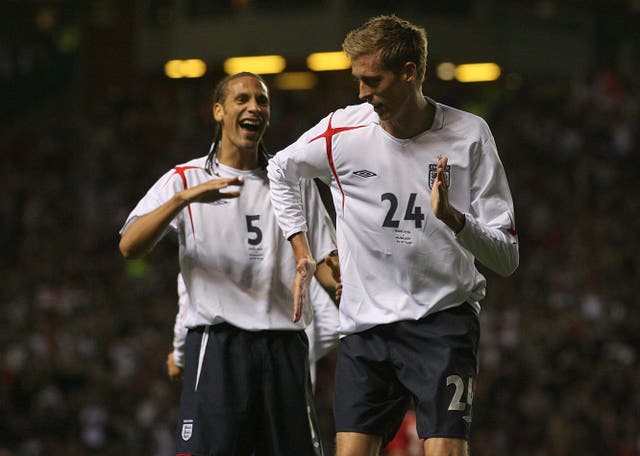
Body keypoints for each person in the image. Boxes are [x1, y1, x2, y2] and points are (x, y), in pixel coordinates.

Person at [267, 15, 519, 456]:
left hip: (443, 322)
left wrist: (455, 219)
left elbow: (507, 258)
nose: (362, 93)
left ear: (410, 73)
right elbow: (280, 170)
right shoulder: (340, 132)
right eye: (357, 81)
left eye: (372, 80)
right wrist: (303, 247)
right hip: (367, 329)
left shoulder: (469, 136)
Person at [119, 72, 340, 455]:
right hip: (219, 346)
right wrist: (182, 200)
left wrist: (350, 284)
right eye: (242, 99)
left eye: (262, 100)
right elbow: (129, 246)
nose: (254, 106)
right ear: (218, 111)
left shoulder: (293, 182)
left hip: (285, 346)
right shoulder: (185, 178)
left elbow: (324, 261)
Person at [166, 272, 340, 390]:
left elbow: (187, 312)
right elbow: (333, 326)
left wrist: (179, 357)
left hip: (235, 382)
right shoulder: (293, 259)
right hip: (294, 386)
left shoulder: (210, 251)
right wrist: (295, 357)